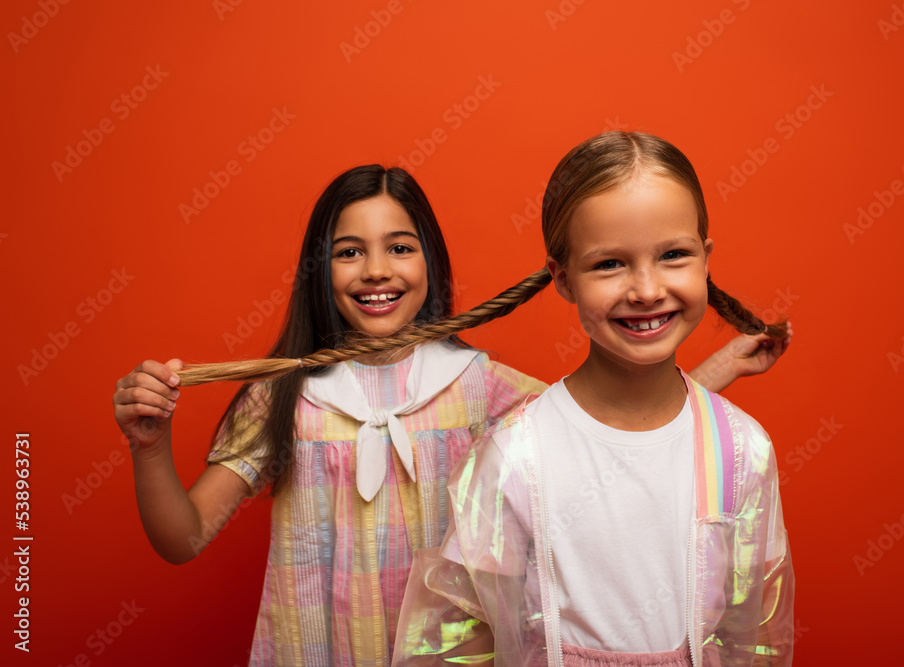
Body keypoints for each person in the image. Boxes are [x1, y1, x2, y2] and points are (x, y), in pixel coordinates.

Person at [112, 164, 788, 666]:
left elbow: (609, 428)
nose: (376, 270)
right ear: (320, 268)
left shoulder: (482, 389)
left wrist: (720, 367)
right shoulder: (284, 397)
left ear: (430, 260)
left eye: (400, 247)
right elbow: (184, 537)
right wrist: (150, 445)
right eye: (349, 251)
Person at [391, 132, 795, 667]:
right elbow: (455, 642)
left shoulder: (743, 451)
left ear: (705, 259)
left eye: (673, 255)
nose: (646, 290)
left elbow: (757, 635)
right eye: (609, 264)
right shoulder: (515, 457)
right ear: (562, 278)